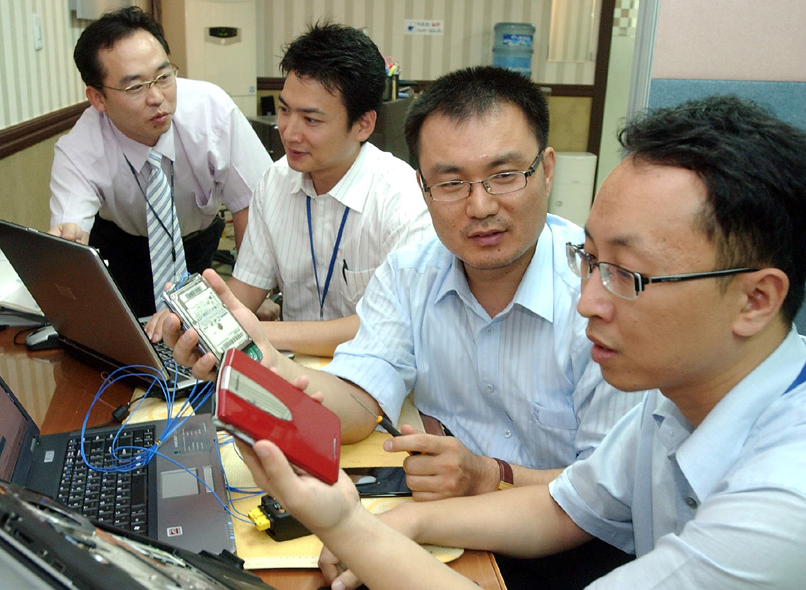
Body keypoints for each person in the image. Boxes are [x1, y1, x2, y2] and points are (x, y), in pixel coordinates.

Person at [237, 94, 806, 590]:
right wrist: (406, 523)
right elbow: (566, 506)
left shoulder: (782, 504)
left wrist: (346, 526)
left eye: (628, 275)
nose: (587, 303)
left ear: (755, 300)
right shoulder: (675, 400)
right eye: (590, 261)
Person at [221, 22, 432, 356]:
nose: (289, 133)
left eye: (311, 120)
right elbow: (244, 291)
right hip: (285, 372)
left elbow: (390, 326)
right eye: (285, 110)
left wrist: (259, 331)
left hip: (374, 379)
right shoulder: (275, 181)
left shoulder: (402, 201)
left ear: (363, 124)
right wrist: (202, 321)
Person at [48, 6, 271, 317]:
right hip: (125, 251)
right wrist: (68, 243)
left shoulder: (212, 112)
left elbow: (253, 206)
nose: (156, 97)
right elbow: (70, 233)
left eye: (163, 77)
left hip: (197, 244)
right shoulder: (80, 148)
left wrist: (248, 294)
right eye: (135, 87)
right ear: (97, 98)